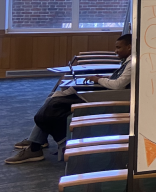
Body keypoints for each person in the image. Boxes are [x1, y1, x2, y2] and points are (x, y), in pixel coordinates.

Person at [5, 34, 133, 164]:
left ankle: (38, 145)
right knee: (52, 99)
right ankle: (36, 142)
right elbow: (118, 79)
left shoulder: (132, 63)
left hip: (108, 97)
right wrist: (103, 78)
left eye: (118, 47)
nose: (116, 51)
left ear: (129, 47)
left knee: (53, 104)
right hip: (106, 93)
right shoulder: (129, 60)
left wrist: (99, 79)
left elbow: (118, 85)